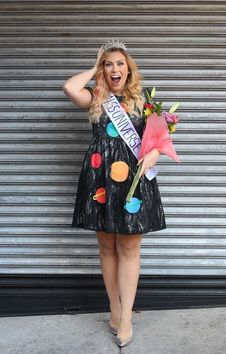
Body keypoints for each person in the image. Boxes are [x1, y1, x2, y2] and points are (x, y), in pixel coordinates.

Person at [63, 40, 166, 348]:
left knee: (130, 248)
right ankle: (114, 309)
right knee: (107, 247)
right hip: (100, 179)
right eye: (109, 64)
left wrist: (154, 155)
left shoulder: (145, 99)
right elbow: (69, 87)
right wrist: (95, 68)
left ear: (128, 68)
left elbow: (159, 141)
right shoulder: (95, 97)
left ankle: (128, 318)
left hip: (133, 179)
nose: (115, 69)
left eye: (120, 63)